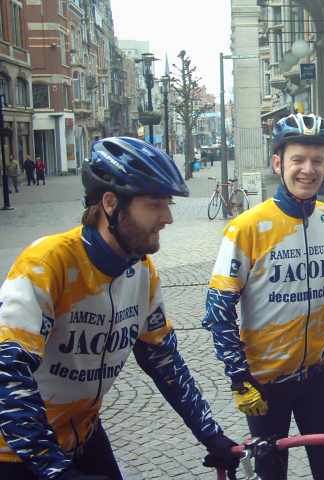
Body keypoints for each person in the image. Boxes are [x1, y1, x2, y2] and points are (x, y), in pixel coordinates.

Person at [0, 137, 239, 480]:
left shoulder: (140, 270)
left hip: (82, 435)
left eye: (167, 203)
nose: (168, 217)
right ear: (111, 203)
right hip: (16, 451)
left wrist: (211, 435)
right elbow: (8, 372)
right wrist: (55, 470)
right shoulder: (47, 262)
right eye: (155, 204)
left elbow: (162, 359)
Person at [203, 113, 324, 480]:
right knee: (271, 475)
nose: (308, 169)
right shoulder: (247, 228)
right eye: (298, 160)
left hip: (316, 375)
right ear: (277, 163)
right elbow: (218, 309)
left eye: (317, 160)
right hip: (264, 382)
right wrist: (239, 379)